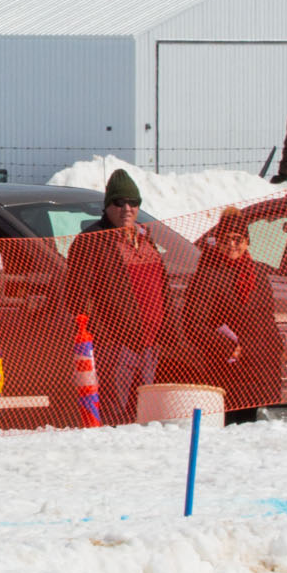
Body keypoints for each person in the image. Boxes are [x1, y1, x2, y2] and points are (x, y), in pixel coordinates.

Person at [63, 168, 167, 424]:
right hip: (115, 347)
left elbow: (162, 288)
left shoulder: (146, 240)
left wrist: (168, 335)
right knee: (113, 417)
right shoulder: (92, 241)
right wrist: (105, 337)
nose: (127, 209)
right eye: (119, 203)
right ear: (108, 206)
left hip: (150, 345)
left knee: (144, 417)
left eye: (133, 203)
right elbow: (76, 297)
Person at [171, 204, 278, 411]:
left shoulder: (258, 274)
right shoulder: (207, 275)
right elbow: (193, 324)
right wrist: (227, 347)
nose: (231, 245)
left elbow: (268, 318)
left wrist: (275, 352)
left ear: (247, 242)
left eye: (237, 239)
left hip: (263, 369)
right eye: (224, 240)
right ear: (217, 243)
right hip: (228, 369)